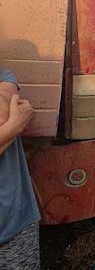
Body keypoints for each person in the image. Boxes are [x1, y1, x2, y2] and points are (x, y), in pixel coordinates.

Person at [0, 68, 39, 269]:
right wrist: (14, 126)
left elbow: (1, 115)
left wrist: (8, 125)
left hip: (15, 225)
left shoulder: (3, 75)